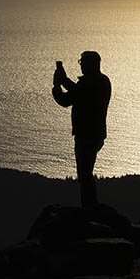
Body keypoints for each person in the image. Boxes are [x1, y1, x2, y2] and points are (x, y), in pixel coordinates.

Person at [52, 51, 112, 208]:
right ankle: (89, 205)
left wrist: (63, 81)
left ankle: (90, 206)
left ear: (92, 64)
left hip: (89, 134)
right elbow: (66, 100)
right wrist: (57, 86)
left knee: (85, 174)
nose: (81, 66)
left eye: (83, 62)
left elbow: (81, 94)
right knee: (84, 173)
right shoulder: (96, 82)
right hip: (89, 134)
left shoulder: (99, 82)